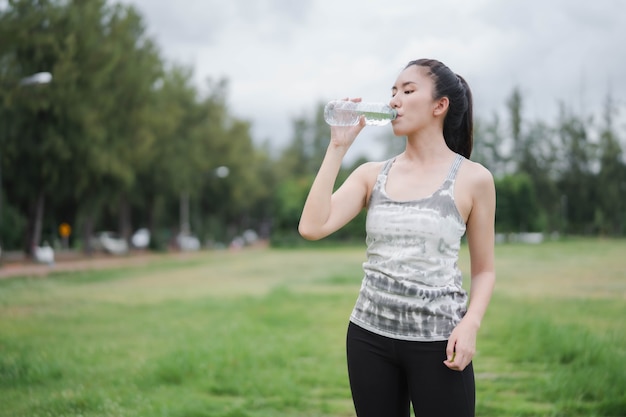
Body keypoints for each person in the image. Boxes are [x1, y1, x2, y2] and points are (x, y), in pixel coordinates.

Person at [298, 58, 496, 417]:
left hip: (439, 341)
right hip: (368, 337)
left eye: (407, 91)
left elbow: (484, 270)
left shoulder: (473, 179)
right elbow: (312, 226)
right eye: (392, 92)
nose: (394, 101)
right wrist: (337, 147)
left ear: (440, 106)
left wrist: (470, 325)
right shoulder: (372, 175)